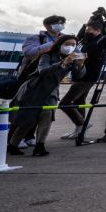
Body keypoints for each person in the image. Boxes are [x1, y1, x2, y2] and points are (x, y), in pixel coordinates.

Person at [8, 35, 84, 157]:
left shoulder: (70, 59)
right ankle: (12, 145)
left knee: (47, 117)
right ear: (59, 44)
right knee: (28, 120)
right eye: (67, 44)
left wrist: (80, 65)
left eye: (73, 45)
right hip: (34, 90)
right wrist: (62, 63)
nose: (70, 47)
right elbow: (43, 71)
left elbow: (78, 76)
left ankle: (40, 146)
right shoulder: (46, 56)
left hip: (51, 92)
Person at [13, 14, 67, 146]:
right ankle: (15, 138)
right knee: (26, 108)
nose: (61, 26)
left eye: (63, 23)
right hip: (32, 78)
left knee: (44, 110)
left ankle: (30, 137)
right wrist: (54, 43)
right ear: (47, 25)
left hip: (51, 79)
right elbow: (30, 52)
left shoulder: (65, 39)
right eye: (58, 23)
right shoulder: (36, 38)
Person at [59, 20, 106, 139]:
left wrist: (70, 56)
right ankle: (80, 131)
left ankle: (82, 124)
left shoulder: (99, 42)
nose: (87, 32)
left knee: (64, 103)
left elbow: (87, 55)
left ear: (98, 31)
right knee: (79, 102)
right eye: (86, 30)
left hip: (87, 77)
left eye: (89, 30)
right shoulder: (88, 41)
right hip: (81, 75)